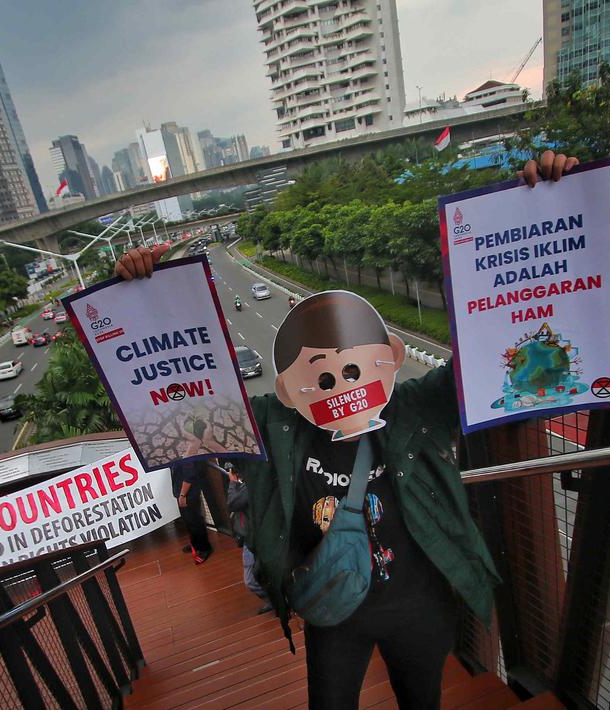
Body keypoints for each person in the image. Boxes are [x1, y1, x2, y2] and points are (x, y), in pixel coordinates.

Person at [114, 151, 578, 708]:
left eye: (355, 369)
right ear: (290, 387)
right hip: (332, 608)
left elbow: (496, 353)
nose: (342, 384)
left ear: (391, 359)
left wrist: (543, 202)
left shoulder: (415, 407)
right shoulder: (273, 425)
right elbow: (177, 395)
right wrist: (136, 298)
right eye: (323, 376)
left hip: (421, 606)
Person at [224, 462, 271, 614]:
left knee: (251, 580)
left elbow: (233, 503)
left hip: (255, 537)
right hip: (256, 535)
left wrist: (232, 483)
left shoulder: (254, 484)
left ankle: (277, 600)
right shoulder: (253, 481)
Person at [170, 459, 214, 564]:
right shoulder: (176, 453)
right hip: (181, 491)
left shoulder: (187, 453)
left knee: (195, 521)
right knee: (188, 521)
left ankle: (205, 548)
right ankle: (195, 543)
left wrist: (182, 495)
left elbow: (189, 476)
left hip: (188, 493)